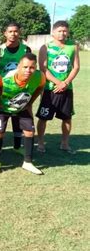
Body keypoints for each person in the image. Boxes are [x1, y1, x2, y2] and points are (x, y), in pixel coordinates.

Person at [0, 53, 45, 175]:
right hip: (3, 109)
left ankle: (28, 162)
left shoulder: (39, 76)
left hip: (21, 108)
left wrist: (30, 102)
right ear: (19, 66)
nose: (28, 70)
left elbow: (39, 88)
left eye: (32, 67)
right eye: (25, 67)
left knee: (30, 132)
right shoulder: (3, 78)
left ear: (35, 67)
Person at [36, 20, 80, 154]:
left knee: (67, 117)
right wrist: (57, 82)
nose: (62, 33)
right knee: (43, 117)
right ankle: (41, 142)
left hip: (67, 89)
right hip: (50, 89)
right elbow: (43, 69)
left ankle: (65, 143)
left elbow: (76, 67)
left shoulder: (73, 46)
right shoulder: (46, 47)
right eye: (59, 31)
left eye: (65, 31)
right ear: (53, 32)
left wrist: (65, 83)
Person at [0, 22, 32, 151]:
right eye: (10, 31)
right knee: (0, 120)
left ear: (19, 33)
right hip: (1, 91)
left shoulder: (26, 49)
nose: (13, 34)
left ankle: (17, 146)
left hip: (20, 89)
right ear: (5, 33)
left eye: (16, 31)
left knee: (18, 118)